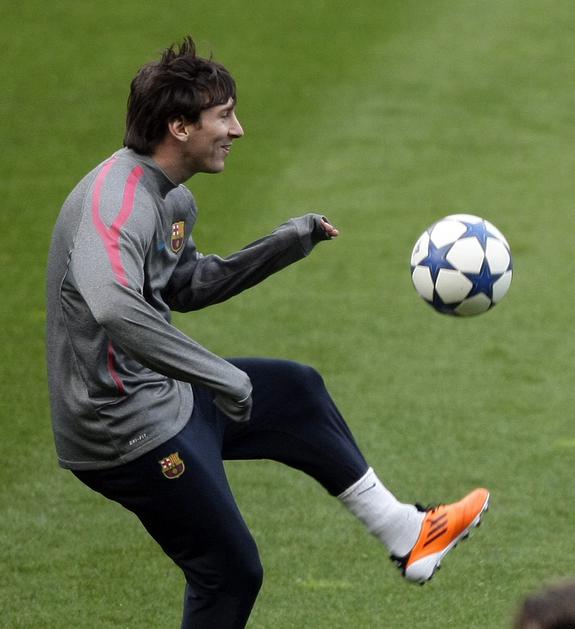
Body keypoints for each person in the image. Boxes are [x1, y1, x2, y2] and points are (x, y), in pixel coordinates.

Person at [46, 35, 490, 628]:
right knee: (229, 572)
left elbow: (185, 286)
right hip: (119, 428)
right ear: (180, 127)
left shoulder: (172, 200)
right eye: (224, 116)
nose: (238, 130)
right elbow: (113, 307)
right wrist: (220, 376)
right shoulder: (117, 203)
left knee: (294, 392)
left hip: (159, 395)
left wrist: (283, 244)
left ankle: (408, 533)